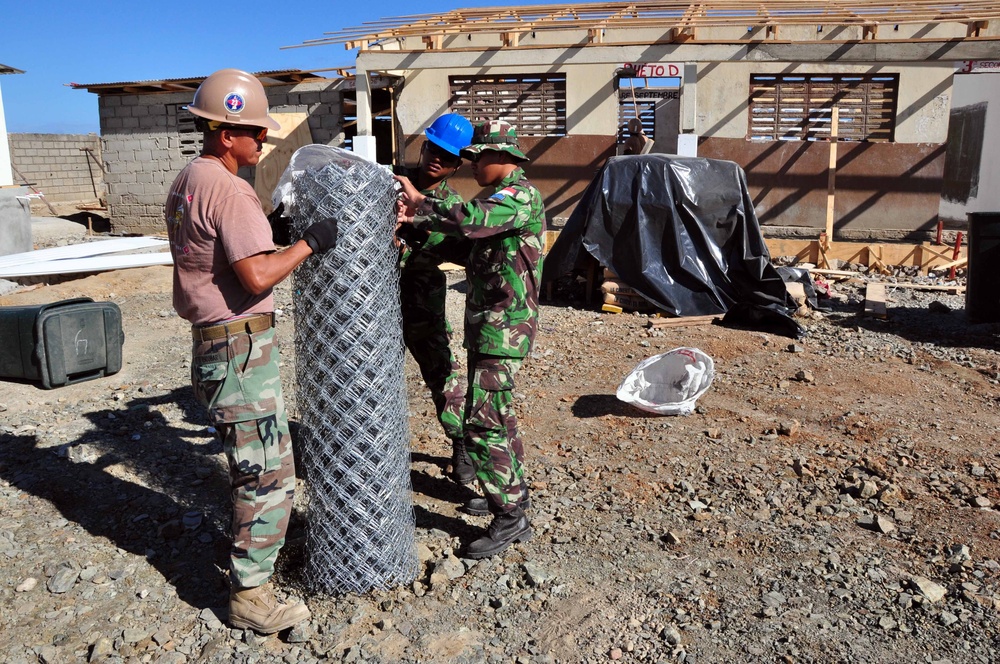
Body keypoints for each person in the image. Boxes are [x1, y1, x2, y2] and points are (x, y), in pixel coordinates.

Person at [165, 68, 338, 634]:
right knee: (266, 474)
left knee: (256, 462)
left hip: (214, 350)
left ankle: (255, 557)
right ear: (224, 133)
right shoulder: (231, 187)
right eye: (256, 134)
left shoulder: (189, 179)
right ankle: (251, 594)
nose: (262, 142)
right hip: (240, 352)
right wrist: (310, 243)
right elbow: (257, 275)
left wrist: (266, 225)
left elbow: (218, 249)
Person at [395, 120, 545, 558]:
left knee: (482, 421)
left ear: (502, 158)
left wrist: (420, 205)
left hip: (504, 328)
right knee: (500, 417)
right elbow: (466, 246)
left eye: (477, 156)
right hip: (491, 327)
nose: (472, 163)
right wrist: (415, 229)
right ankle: (510, 495)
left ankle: (510, 517)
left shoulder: (519, 196)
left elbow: (469, 220)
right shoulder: (499, 199)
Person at [395, 113, 475, 485]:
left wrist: (417, 228)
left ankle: (460, 443)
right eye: (434, 148)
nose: (438, 158)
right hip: (373, 295)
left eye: (448, 155)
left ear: (457, 164)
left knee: (441, 371)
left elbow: (459, 249)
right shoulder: (388, 181)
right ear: (423, 146)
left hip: (420, 292)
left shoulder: (450, 204)